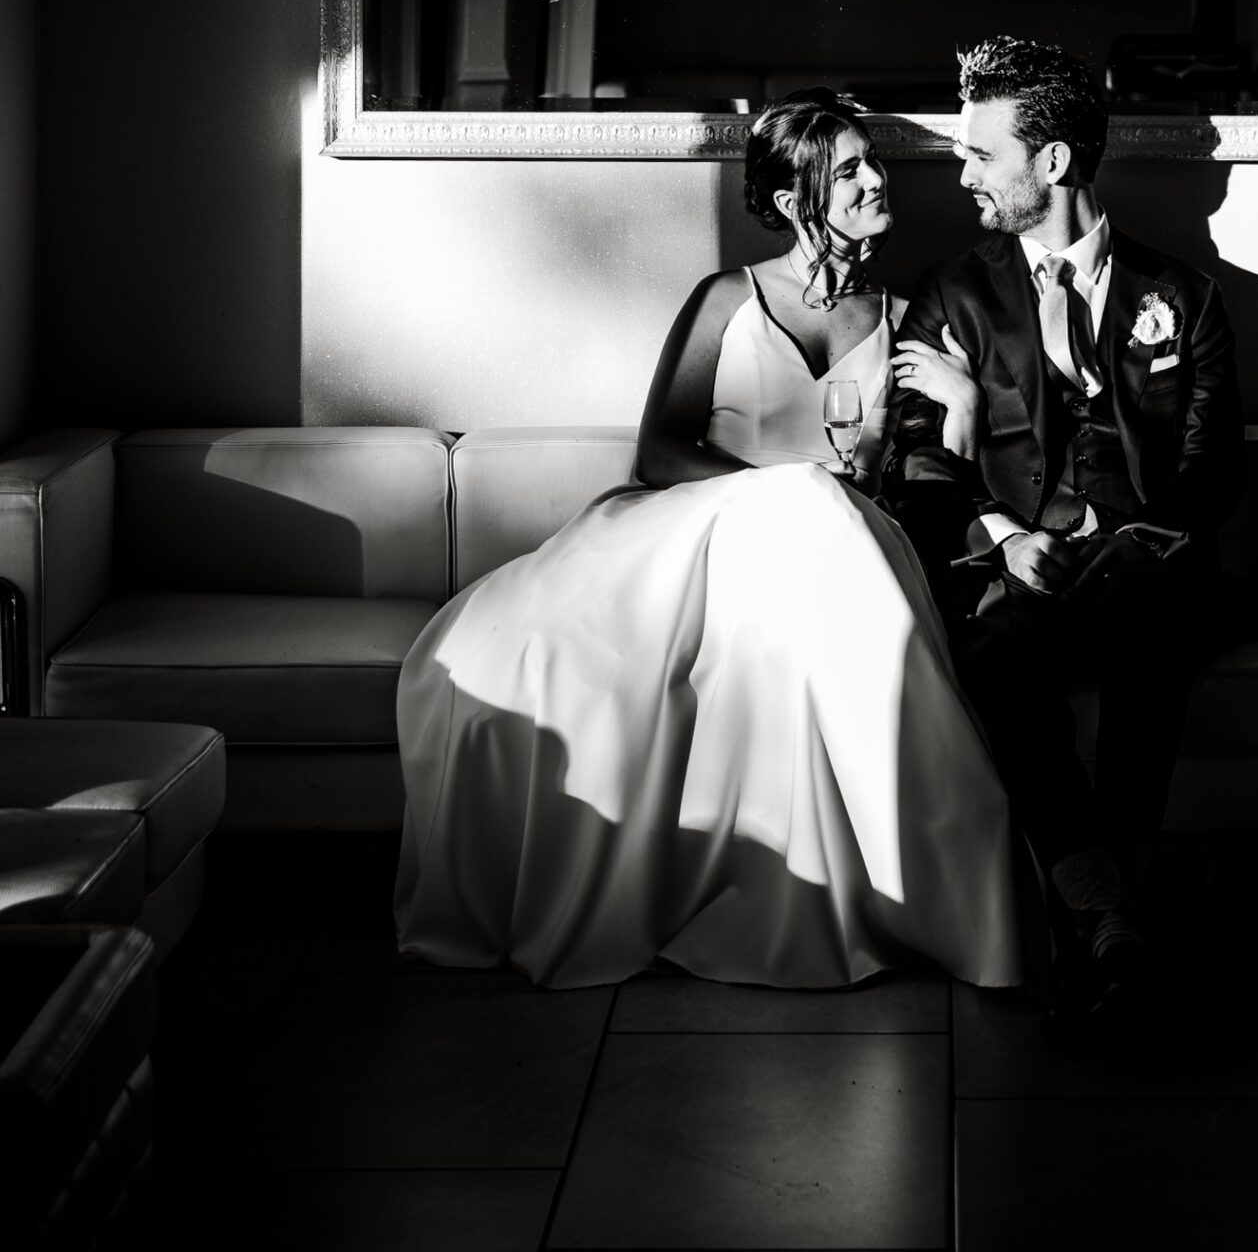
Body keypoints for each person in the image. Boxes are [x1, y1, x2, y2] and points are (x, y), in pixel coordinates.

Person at [394, 89, 1026, 992]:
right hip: (699, 526)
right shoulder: (727, 298)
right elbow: (659, 450)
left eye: (873, 163)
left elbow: (916, 481)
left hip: (835, 553)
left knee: (830, 535)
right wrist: (778, 493)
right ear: (792, 200)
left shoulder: (901, 316)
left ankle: (916, 892)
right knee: (592, 637)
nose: (876, 181)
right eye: (850, 170)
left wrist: (957, 407)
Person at [883, 35, 1244, 1030]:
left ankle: (1104, 923)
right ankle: (1111, 916)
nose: (961, 174)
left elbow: (1213, 473)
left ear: (1051, 160)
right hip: (1020, 577)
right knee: (997, 654)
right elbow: (915, 467)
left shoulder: (1184, 296)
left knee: (1150, 625)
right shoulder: (953, 293)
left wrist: (1121, 535)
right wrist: (1004, 537)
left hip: (1146, 567)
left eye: (979, 154)